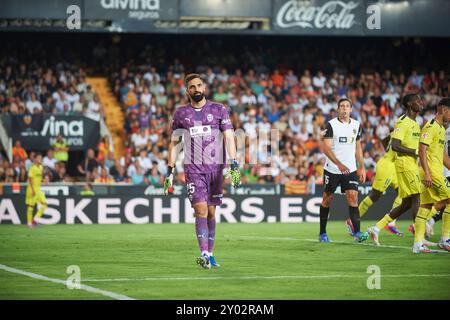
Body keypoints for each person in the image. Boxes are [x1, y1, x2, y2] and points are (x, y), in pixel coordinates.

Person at [163, 73, 241, 269]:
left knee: (212, 213)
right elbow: (174, 143)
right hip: (193, 169)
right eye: (192, 87)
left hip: (216, 169)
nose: (196, 89)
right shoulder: (181, 114)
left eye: (199, 85)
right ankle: (204, 254)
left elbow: (229, 137)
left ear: (204, 87)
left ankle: (211, 254)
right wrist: (169, 171)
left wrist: (234, 164)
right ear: (187, 90)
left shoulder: (218, 109)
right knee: (201, 210)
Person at [368, 94, 423, 246]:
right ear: (410, 104)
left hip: (411, 164)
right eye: (418, 101)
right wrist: (415, 152)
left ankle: (377, 228)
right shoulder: (402, 121)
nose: (421, 103)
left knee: (406, 203)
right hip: (405, 164)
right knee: (417, 197)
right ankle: (419, 240)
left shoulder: (415, 123)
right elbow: (395, 145)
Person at [320, 98, 368, 243]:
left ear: (351, 109)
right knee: (327, 199)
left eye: (347, 106)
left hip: (351, 169)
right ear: (338, 109)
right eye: (342, 106)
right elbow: (326, 148)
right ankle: (323, 233)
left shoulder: (356, 125)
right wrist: (339, 164)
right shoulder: (331, 125)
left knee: (353, 198)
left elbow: (358, 148)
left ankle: (358, 232)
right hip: (333, 169)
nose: (345, 109)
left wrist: (362, 167)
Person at [413, 98, 450, 253]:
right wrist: (427, 173)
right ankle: (445, 239)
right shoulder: (431, 126)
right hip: (431, 173)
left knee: (426, 206)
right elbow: (422, 149)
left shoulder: (441, 129)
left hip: (433, 171)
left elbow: (442, 157)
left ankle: (418, 244)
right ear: (444, 110)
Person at [355, 134, 403, 236]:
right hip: (386, 166)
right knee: (375, 196)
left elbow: (385, 140)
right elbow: (395, 146)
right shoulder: (404, 127)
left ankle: (391, 223)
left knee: (403, 193)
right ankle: (353, 219)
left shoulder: (399, 129)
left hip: (394, 167)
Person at [25, 153, 47, 228]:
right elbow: (30, 180)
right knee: (31, 206)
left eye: (41, 158)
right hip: (32, 189)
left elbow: (40, 178)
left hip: (38, 189)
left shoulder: (41, 167)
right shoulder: (32, 168)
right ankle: (29, 223)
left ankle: (35, 220)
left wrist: (44, 181)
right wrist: (32, 190)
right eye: (38, 158)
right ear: (35, 159)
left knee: (45, 204)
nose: (40, 159)